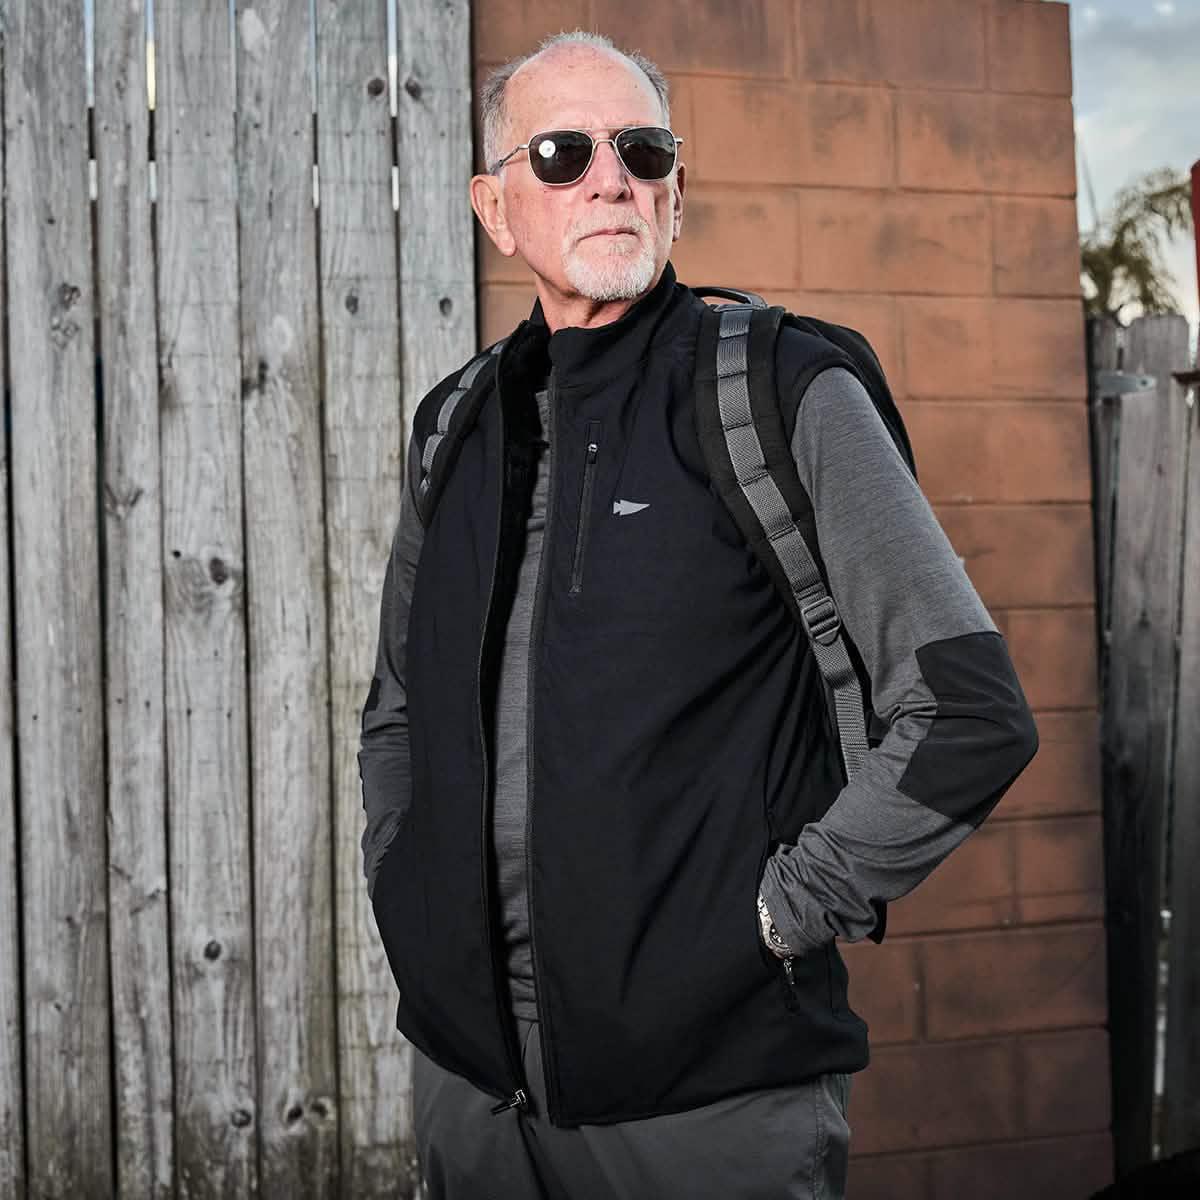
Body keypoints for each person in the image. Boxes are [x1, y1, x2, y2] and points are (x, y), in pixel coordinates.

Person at [359, 30, 1039, 1200]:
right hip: (468, 1093)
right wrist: (403, 887)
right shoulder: (452, 426)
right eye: (563, 153)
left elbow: (968, 709)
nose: (611, 177)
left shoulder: (779, 388)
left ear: (678, 193)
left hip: (711, 1107)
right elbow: (396, 712)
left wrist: (782, 914)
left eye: (644, 148)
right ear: (495, 206)